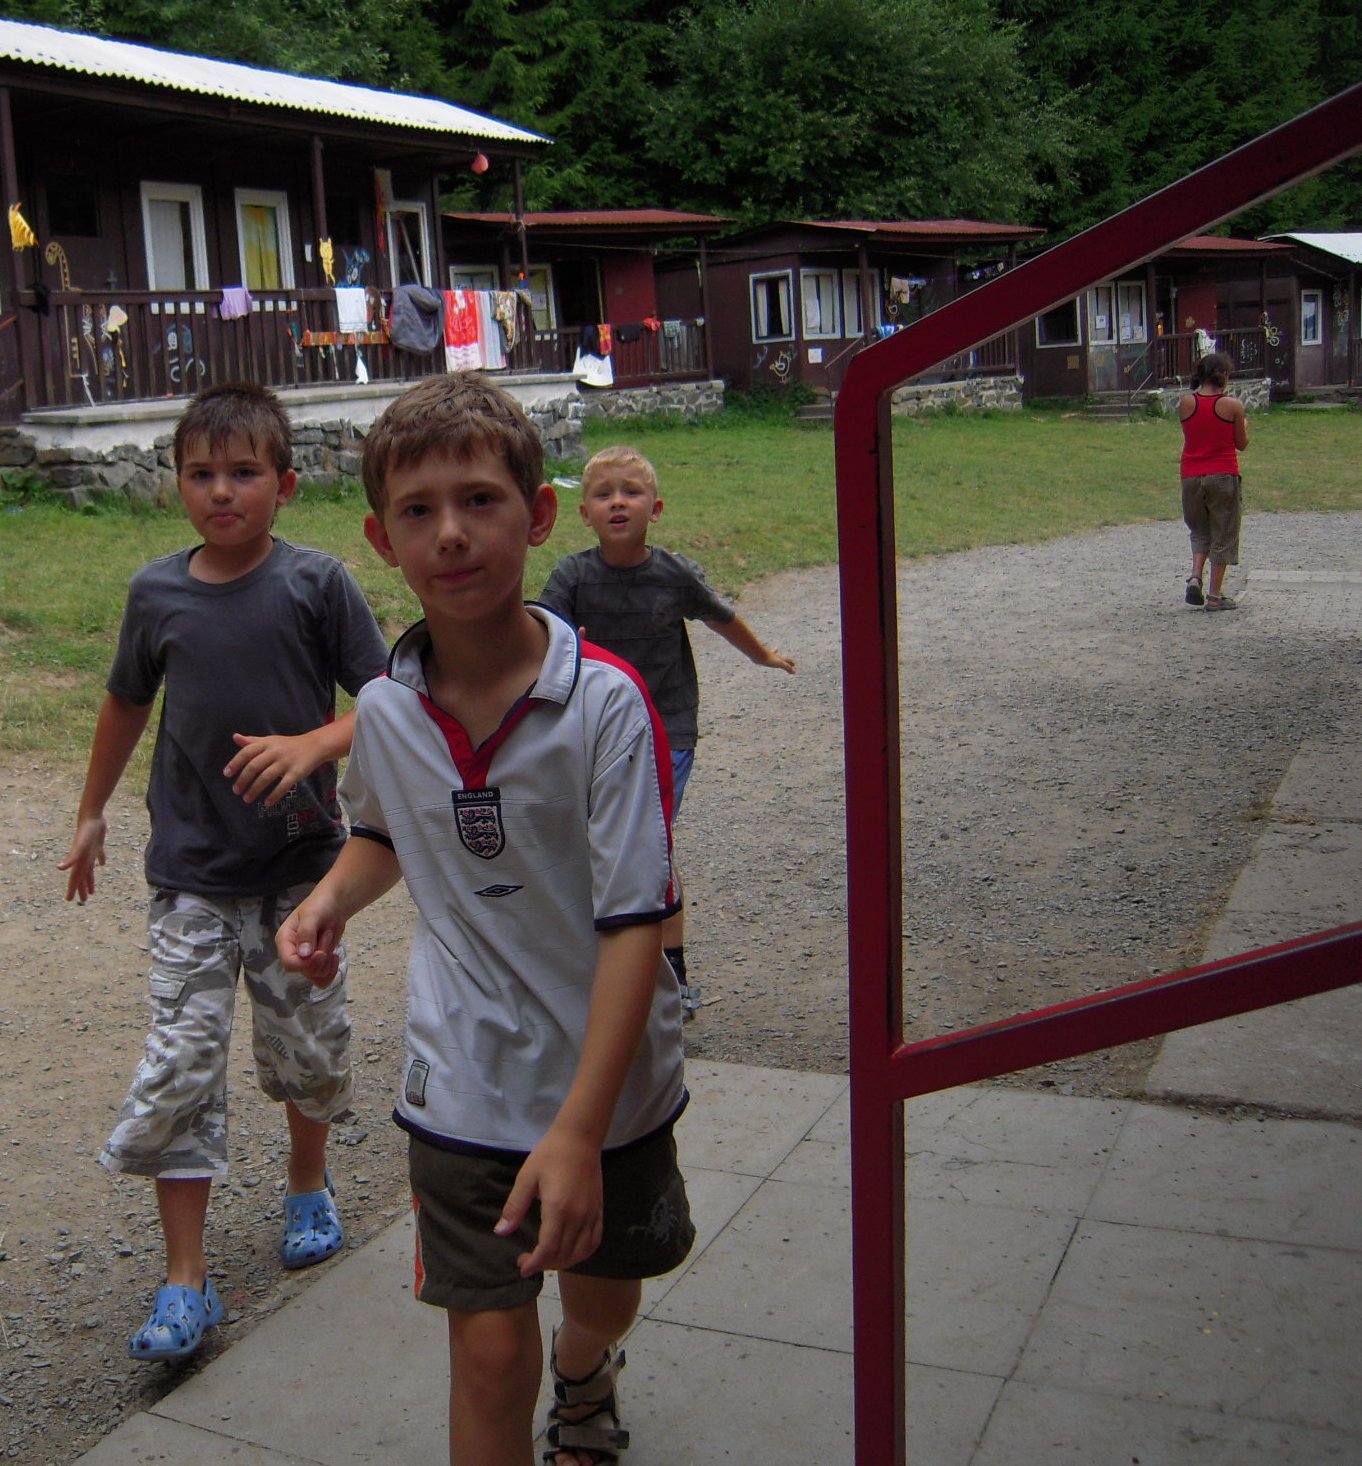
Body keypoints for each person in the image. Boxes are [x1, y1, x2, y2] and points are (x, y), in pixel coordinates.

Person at [276, 375, 695, 1466]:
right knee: (490, 1355)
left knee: (599, 1296)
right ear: (382, 539)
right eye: (418, 511)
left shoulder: (604, 704)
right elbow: (386, 832)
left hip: (610, 1077)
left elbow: (636, 922)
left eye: (479, 501)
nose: (450, 534)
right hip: (463, 1071)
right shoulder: (385, 708)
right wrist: (328, 898)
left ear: (539, 514)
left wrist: (580, 1132)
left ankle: (587, 1369)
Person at [58, 382, 389, 1363]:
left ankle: (306, 1182)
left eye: (244, 472)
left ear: (285, 484)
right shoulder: (156, 592)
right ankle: (185, 1279)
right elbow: (126, 701)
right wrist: (90, 810)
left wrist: (314, 742)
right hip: (192, 874)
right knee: (181, 1061)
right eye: (201, 473)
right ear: (177, 485)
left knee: (306, 1051)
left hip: (301, 873)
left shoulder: (317, 582)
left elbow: (390, 698)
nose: (221, 490)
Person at [538, 446, 795, 1016]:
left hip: (668, 731)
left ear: (655, 509)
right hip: (595, 731)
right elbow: (539, 632)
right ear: (584, 513)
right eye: (604, 495)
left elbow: (721, 617)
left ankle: (671, 972)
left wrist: (761, 655)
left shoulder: (675, 575)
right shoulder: (572, 576)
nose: (618, 503)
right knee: (595, 842)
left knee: (648, 845)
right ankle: (599, 961)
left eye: (631, 492)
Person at [1179, 351, 1249, 611]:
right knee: (1224, 531)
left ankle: (1195, 577)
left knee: (1199, 529)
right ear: (1225, 375)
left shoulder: (1187, 403)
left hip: (1191, 475)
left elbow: (1196, 433)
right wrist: (1244, 425)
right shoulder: (1232, 406)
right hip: (1222, 473)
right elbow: (1241, 444)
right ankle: (1214, 595)